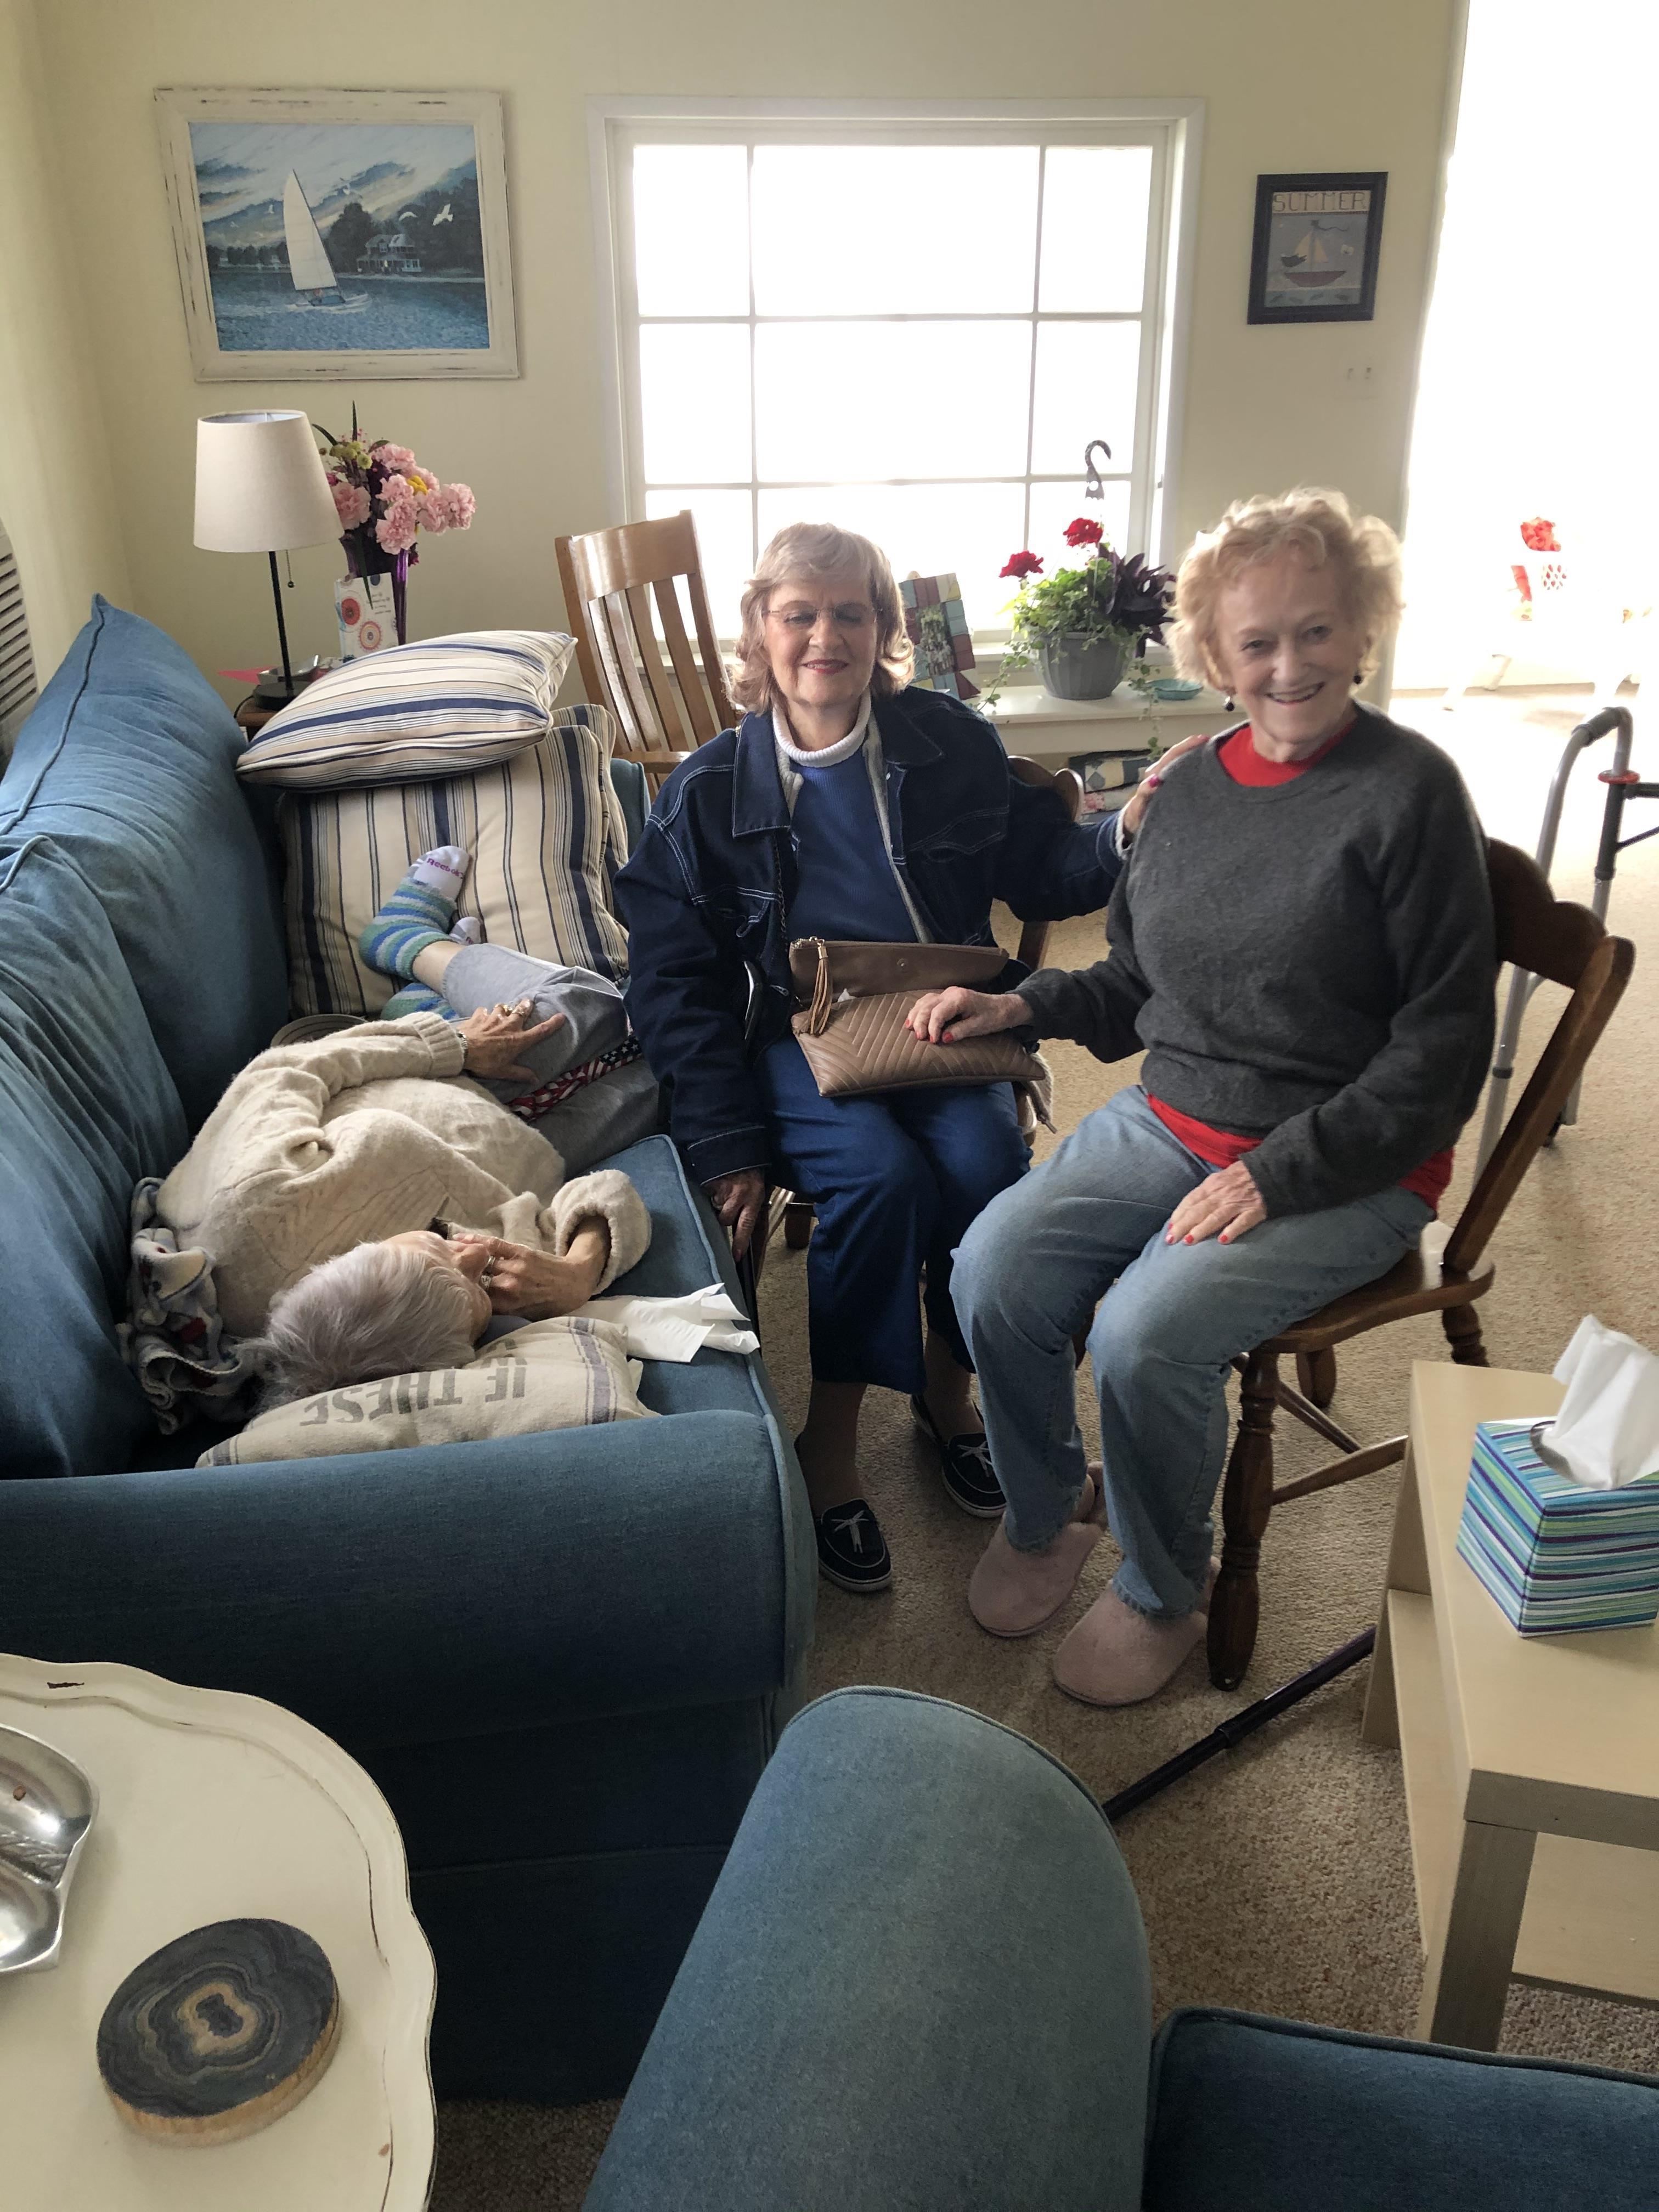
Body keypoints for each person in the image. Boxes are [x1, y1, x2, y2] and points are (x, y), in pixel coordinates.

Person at [909, 486, 1496, 1704]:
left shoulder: (1411, 794)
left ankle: (1163, 1588)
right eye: (1259, 642)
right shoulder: (1184, 791)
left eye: (1318, 631)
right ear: (1215, 657)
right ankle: (1047, 1509)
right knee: (990, 1269)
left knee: (1142, 1334)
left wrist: (1272, 1173)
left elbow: (1441, 1051)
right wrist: (1023, 1003)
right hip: (1173, 1116)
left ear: (1364, 629)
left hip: (1345, 1163)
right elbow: (1134, 987)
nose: (1291, 666)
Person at [616, 521, 1179, 1593]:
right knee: (873, 1180)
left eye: (850, 613)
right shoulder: (704, 790)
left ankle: (946, 1387)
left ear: (882, 631)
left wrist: (1119, 832)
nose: (824, 635)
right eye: (799, 614)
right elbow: (673, 981)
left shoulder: (947, 743)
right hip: (805, 1028)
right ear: (759, 632)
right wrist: (725, 1140)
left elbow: (1046, 869)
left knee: (979, 1165)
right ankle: (830, 1442)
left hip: (950, 1011)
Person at [149, 844, 654, 1408]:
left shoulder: (254, 1213)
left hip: (439, 1075)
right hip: (534, 1145)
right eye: (479, 1292)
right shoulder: (445, 1310)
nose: (473, 1252)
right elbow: (606, 1192)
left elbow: (290, 1071)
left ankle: (409, 941)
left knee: (586, 1010)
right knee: (660, 1081)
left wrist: (454, 1046)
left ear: (353, 1256)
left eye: (438, 1247)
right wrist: (577, 1271)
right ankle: (424, 998)